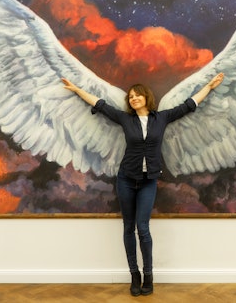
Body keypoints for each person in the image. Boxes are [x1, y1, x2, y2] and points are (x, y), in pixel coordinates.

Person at [62, 72, 224, 296]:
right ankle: (134, 275)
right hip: (126, 179)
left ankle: (148, 275)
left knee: (143, 228)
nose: (134, 98)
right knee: (128, 228)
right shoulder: (125, 119)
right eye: (131, 97)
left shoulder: (162, 118)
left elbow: (189, 105)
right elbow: (100, 104)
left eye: (137, 95)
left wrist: (209, 86)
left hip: (149, 181)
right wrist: (77, 90)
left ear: (146, 97)